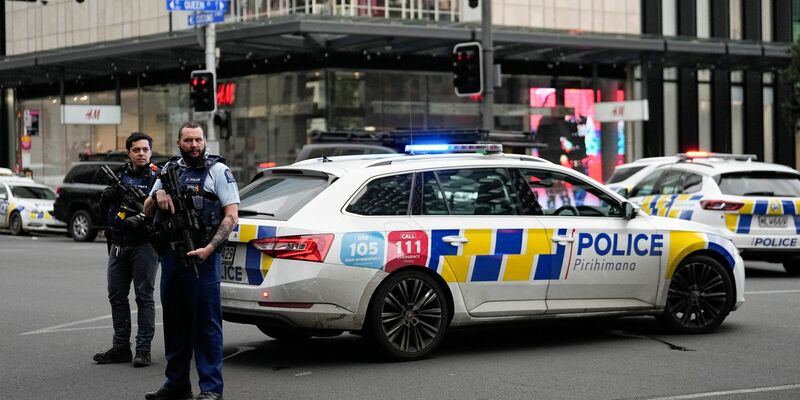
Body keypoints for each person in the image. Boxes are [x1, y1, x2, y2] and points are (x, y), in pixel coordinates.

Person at [143, 121, 239, 400]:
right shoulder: (168, 170)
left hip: (203, 258)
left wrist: (210, 248)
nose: (194, 145)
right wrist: (158, 193)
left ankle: (210, 388)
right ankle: (176, 384)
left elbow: (231, 216)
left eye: (198, 140)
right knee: (174, 323)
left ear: (204, 141)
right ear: (178, 143)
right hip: (172, 257)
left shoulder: (218, 171)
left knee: (206, 325)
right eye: (188, 140)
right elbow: (147, 210)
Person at [93, 132, 160, 367]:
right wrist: (106, 197)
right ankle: (121, 348)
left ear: (150, 151)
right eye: (136, 150)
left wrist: (143, 218)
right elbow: (104, 212)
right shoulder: (119, 176)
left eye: (145, 149)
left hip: (145, 244)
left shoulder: (158, 177)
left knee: (144, 297)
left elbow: (166, 211)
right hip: (119, 243)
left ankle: (143, 349)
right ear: (128, 152)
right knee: (116, 296)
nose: (141, 153)